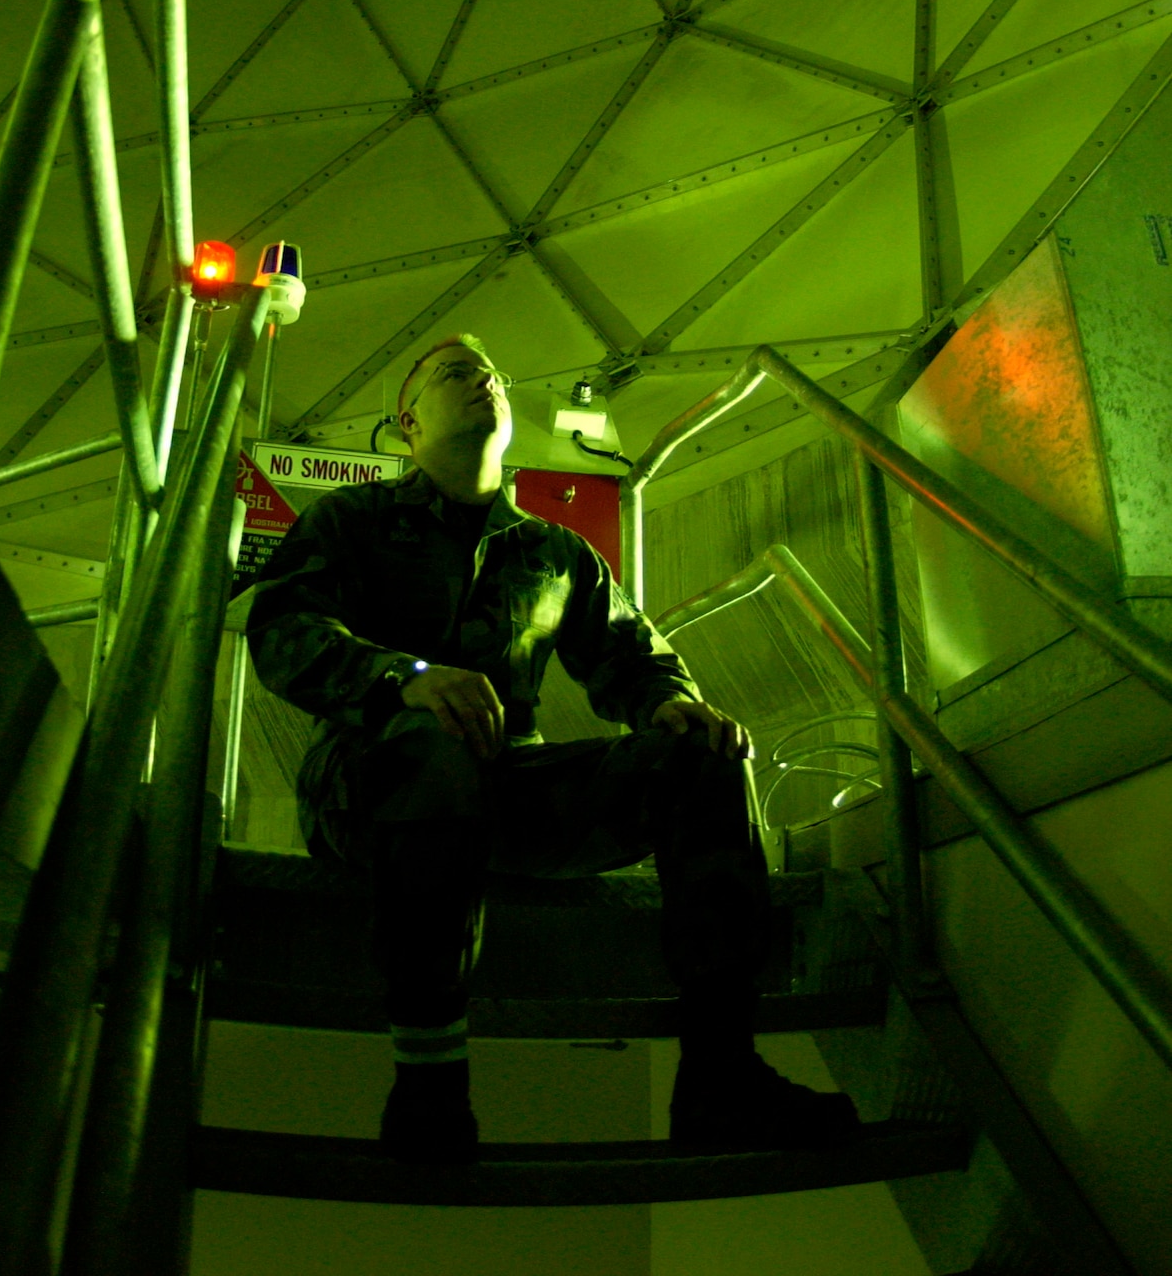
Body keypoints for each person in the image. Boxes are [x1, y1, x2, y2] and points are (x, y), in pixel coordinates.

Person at [246, 333, 859, 1165]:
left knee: (704, 756)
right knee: (436, 742)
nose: (485, 383)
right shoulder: (350, 520)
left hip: (508, 791)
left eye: (493, 373)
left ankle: (721, 1077)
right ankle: (429, 1084)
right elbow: (282, 630)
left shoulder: (554, 553)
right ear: (407, 424)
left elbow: (634, 659)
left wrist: (674, 705)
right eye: (457, 374)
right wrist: (406, 677)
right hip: (371, 787)